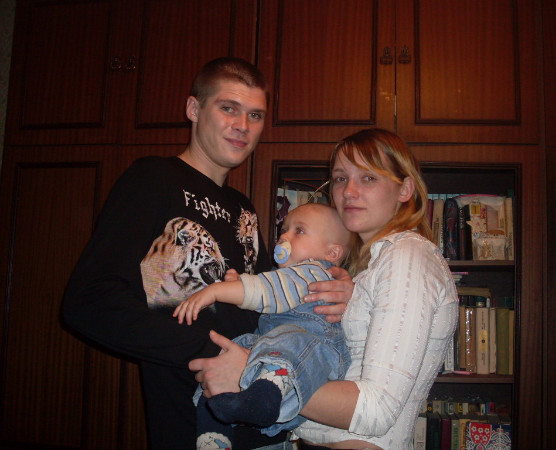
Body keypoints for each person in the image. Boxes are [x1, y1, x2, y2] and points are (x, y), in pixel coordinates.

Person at [61, 57, 352, 450]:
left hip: (267, 428)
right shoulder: (153, 178)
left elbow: (271, 298)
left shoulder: (244, 208)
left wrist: (331, 281)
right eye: (228, 108)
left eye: (255, 115)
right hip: (192, 424)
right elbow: (89, 302)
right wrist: (213, 353)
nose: (243, 125)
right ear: (194, 109)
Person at [191, 128, 459, 450]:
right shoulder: (367, 267)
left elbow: (377, 410)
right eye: (340, 178)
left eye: (369, 178)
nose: (349, 191)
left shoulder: (406, 256)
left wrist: (253, 375)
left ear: (405, 189)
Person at [173, 202, 353, 450]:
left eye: (299, 231)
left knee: (289, 342)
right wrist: (241, 282)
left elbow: (265, 291)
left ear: (331, 253)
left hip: (309, 353)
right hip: (278, 353)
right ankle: (214, 436)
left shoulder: (313, 272)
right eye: (284, 229)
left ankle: (262, 400)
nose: (284, 237)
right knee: (226, 357)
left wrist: (217, 291)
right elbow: (272, 287)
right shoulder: (289, 275)